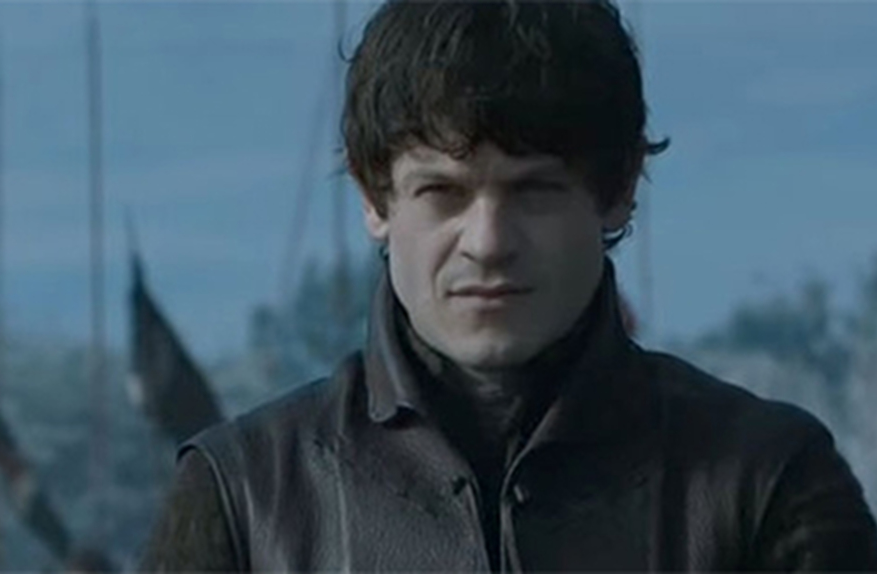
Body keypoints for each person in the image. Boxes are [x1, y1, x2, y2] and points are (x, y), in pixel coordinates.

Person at [140, 0, 877, 570]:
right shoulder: (242, 495)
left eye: (535, 190)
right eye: (442, 192)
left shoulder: (768, 482)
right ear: (375, 199)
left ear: (619, 190)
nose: (488, 242)